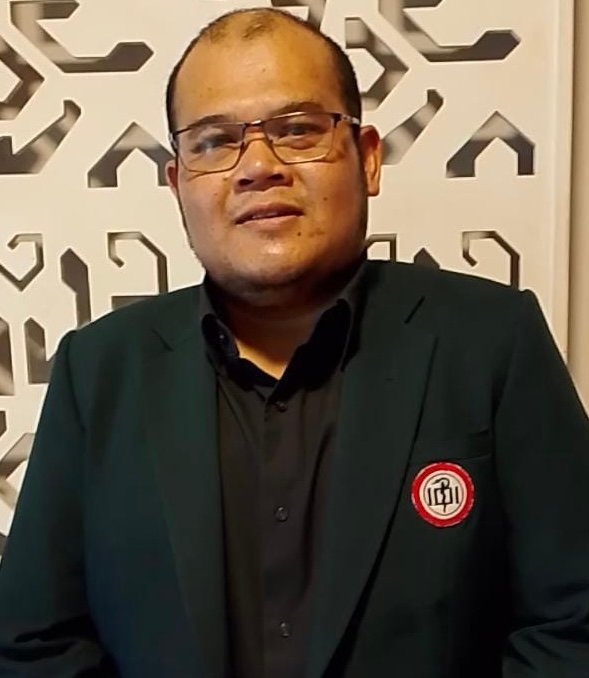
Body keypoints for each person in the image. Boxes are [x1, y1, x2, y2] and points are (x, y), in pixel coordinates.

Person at [0, 7, 588, 677]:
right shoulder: (99, 370)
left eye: (297, 129)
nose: (258, 166)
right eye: (214, 141)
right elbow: (34, 641)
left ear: (367, 158)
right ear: (178, 183)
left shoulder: (491, 341)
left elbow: (573, 623)